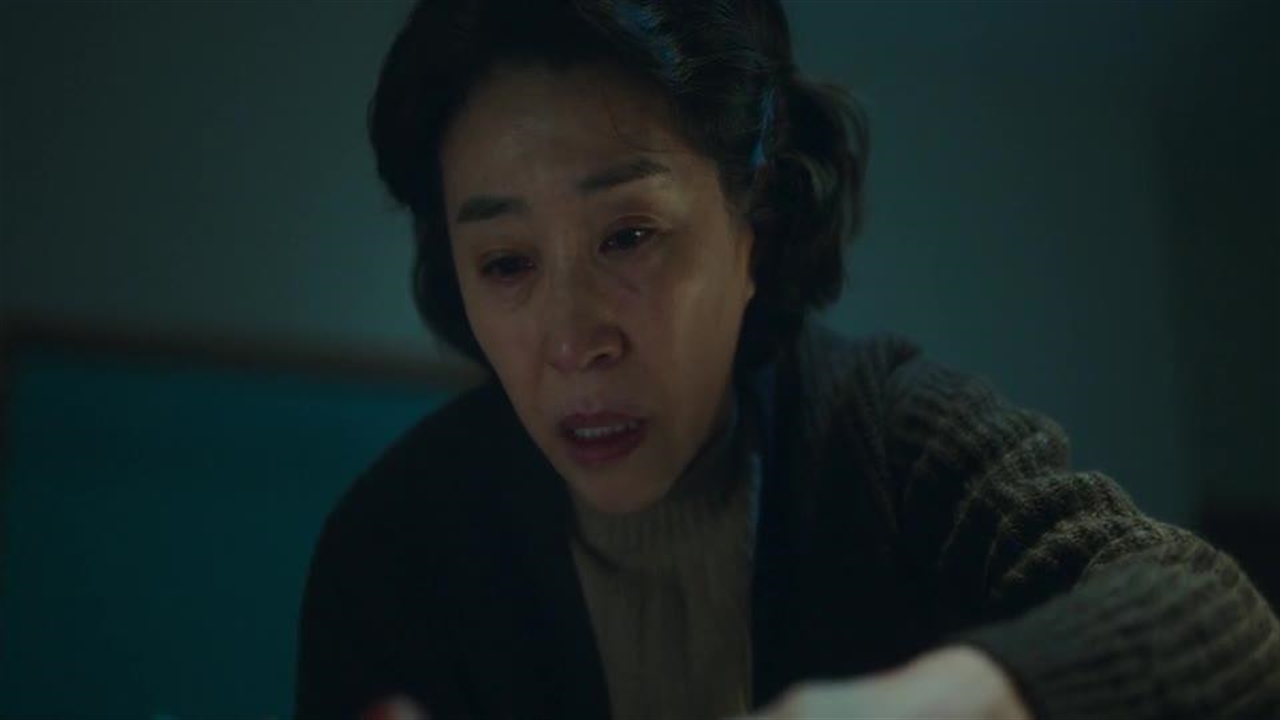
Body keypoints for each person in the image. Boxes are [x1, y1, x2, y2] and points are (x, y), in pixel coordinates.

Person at [294, 1, 1280, 718]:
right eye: (505, 262)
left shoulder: (886, 438)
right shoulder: (396, 544)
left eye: (629, 236)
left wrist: (955, 700)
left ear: (753, 230)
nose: (572, 341)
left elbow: (1216, 619)